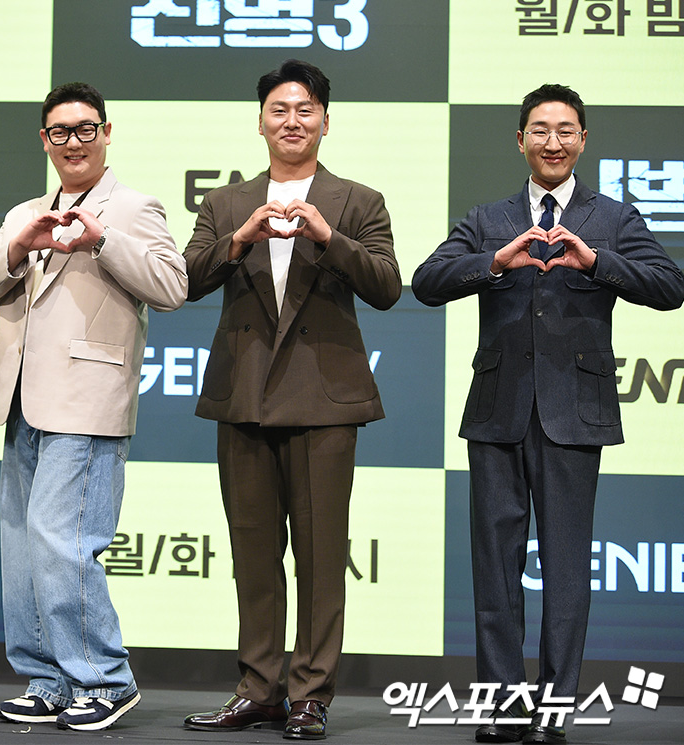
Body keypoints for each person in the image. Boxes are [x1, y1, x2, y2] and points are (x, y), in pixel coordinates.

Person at [412, 84, 684, 745]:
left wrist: (597, 262)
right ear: (520, 140)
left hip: (574, 413)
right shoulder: (489, 218)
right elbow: (425, 281)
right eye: (540, 129)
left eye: (565, 130)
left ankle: (554, 709)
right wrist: (492, 262)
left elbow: (670, 287)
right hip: (497, 410)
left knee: (565, 570)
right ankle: (504, 708)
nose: (553, 141)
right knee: (494, 569)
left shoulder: (613, 218)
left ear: (583, 140)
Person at [181, 59, 400, 741]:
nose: (292, 121)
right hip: (243, 396)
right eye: (279, 110)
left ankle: (309, 693)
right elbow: (184, 279)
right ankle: (258, 689)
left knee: (320, 556)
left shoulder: (357, 200)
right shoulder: (226, 203)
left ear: (325, 121)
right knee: (252, 554)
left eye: (305, 109)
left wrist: (329, 238)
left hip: (323, 401)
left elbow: (387, 285)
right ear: (260, 123)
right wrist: (239, 239)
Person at [0, 82, 187, 732]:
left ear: (106, 133)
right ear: (45, 140)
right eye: (60, 131)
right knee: (23, 547)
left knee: (64, 541)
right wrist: (17, 246)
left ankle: (105, 678)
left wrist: (101, 240)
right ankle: (49, 679)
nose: (73, 142)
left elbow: (173, 286)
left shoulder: (133, 207)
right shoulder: (26, 211)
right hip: (21, 400)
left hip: (88, 401)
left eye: (85, 128)